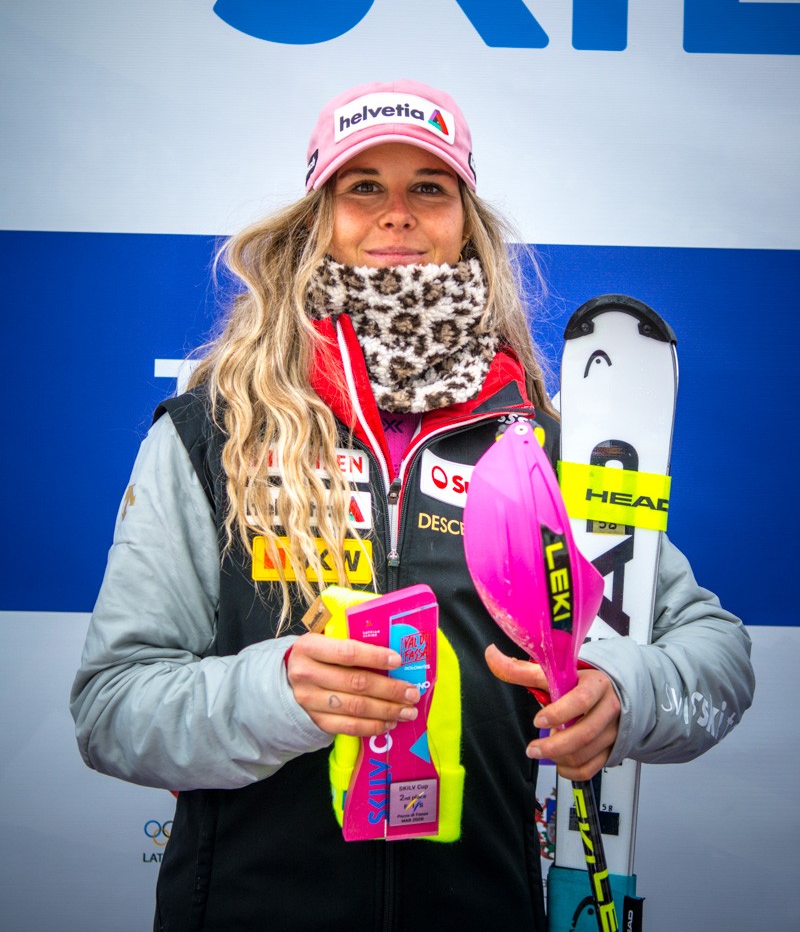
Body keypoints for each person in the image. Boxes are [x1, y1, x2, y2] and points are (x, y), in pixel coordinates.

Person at [71, 80, 754, 931]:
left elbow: (719, 657)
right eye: (364, 186)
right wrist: (277, 692)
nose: (396, 213)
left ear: (465, 220)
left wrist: (624, 693)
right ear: (319, 219)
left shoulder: (537, 445)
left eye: (429, 187)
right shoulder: (214, 433)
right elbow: (111, 710)